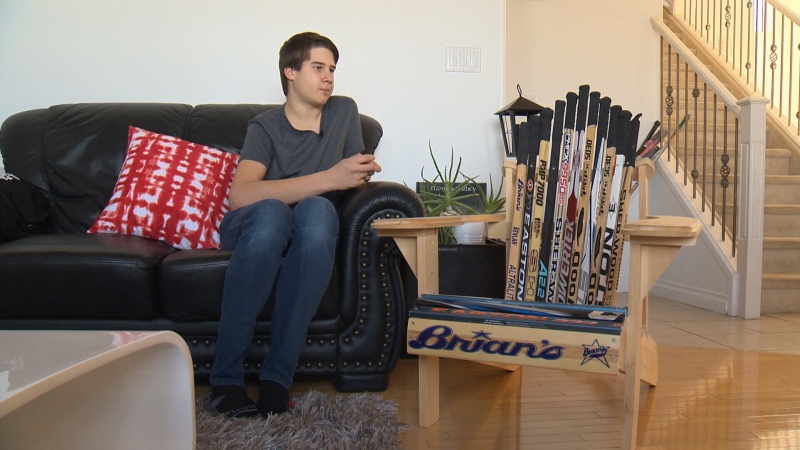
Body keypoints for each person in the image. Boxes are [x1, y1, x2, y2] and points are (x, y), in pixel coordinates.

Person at [208, 31, 381, 418]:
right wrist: (329, 178)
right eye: (318, 67)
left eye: (332, 69)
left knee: (319, 210)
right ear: (290, 71)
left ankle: (276, 378)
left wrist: (358, 174)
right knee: (274, 211)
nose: (328, 78)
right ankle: (225, 381)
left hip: (310, 229)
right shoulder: (265, 126)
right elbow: (240, 196)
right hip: (256, 226)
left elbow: (351, 175)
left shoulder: (343, 113)